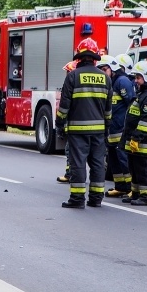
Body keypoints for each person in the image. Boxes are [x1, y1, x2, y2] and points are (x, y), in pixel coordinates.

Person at [55, 38, 112, 209]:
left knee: (78, 164)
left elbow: (64, 106)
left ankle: (77, 199)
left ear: (79, 58)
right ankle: (96, 199)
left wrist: (60, 125)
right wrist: (106, 129)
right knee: (97, 164)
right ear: (95, 58)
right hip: (99, 131)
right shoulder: (106, 79)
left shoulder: (72, 76)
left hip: (77, 130)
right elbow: (108, 110)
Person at [121, 60, 147, 206]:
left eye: (139, 78)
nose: (136, 81)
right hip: (137, 140)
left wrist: (137, 137)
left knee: (144, 168)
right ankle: (137, 194)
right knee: (135, 167)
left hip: (144, 141)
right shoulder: (144, 94)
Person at [97, 56, 134, 197]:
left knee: (124, 159)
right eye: (100, 70)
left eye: (104, 69)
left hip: (121, 129)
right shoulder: (108, 83)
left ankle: (131, 188)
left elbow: (131, 104)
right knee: (113, 160)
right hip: (111, 131)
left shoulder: (122, 81)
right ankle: (120, 186)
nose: (102, 72)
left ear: (112, 69)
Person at [56, 60, 78, 184]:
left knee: (71, 150)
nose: (66, 75)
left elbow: (65, 107)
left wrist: (59, 123)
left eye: (68, 72)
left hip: (75, 127)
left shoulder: (71, 86)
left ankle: (71, 174)